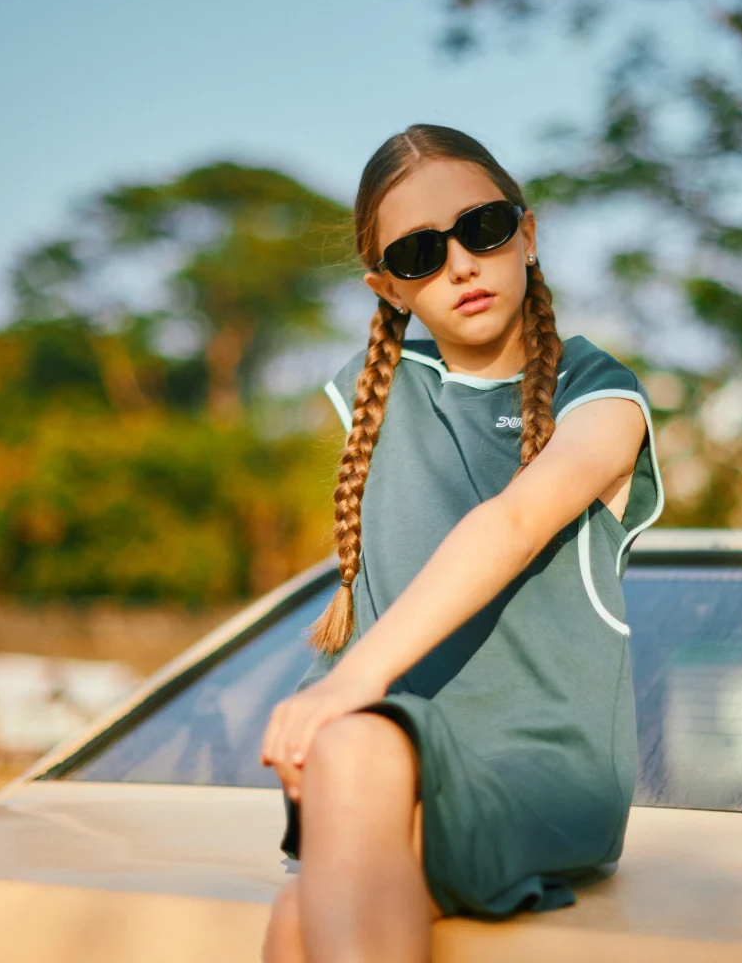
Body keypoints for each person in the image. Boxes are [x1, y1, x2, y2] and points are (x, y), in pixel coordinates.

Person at [259, 123, 664, 962]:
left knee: (357, 741)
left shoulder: (601, 394)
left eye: (481, 228)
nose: (460, 263)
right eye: (417, 253)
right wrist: (344, 696)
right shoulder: (374, 404)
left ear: (527, 230)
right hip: (375, 771)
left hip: (543, 766)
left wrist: (348, 690)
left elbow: (513, 525)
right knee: (293, 924)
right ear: (389, 286)